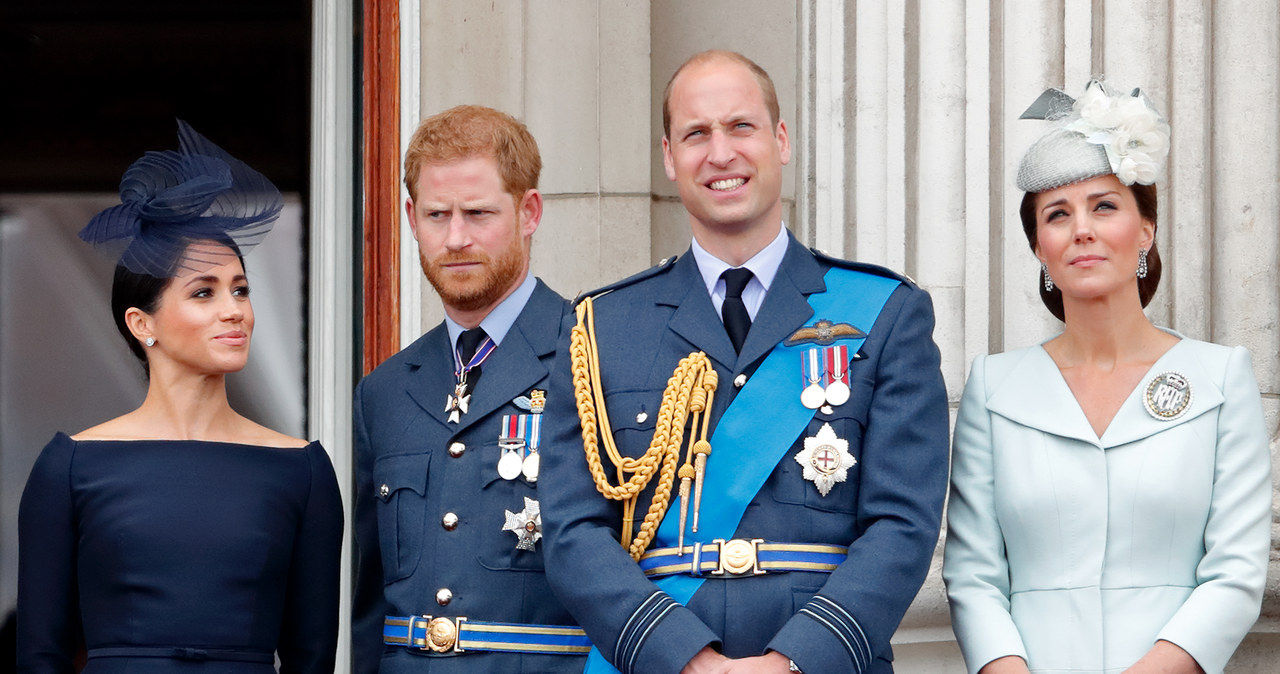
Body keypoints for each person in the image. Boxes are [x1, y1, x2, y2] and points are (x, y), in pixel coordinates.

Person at [539, 50, 950, 674]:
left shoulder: (886, 311)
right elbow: (572, 533)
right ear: (669, 157)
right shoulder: (601, 327)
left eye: (741, 126)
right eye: (696, 134)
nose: (720, 153)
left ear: (780, 140)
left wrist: (793, 661)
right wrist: (686, 658)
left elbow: (902, 524)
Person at [943, 81, 1272, 674]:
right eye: (1057, 215)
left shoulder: (1220, 378)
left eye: (1104, 205)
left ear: (1145, 230)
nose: (1082, 230)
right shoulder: (994, 389)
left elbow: (1236, 571)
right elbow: (973, 574)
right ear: (1040, 247)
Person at [17, 121, 344, 673]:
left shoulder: (302, 470)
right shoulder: (68, 467)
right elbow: (40, 656)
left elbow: (312, 658)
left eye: (241, 289)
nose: (234, 309)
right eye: (203, 292)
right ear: (143, 323)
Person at [352, 105, 586, 673]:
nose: (455, 237)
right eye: (437, 214)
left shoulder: (595, 358)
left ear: (529, 212)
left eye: (478, 213)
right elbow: (370, 610)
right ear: (411, 218)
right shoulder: (383, 391)